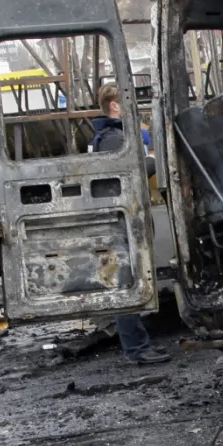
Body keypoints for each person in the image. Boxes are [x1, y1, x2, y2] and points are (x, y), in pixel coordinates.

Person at [91, 83, 170, 365]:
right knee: (127, 284)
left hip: (123, 216)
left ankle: (138, 347)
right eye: (128, 102)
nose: (135, 108)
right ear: (114, 105)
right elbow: (125, 177)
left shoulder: (115, 135)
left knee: (129, 284)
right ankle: (137, 349)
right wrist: (152, 161)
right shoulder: (113, 139)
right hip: (120, 219)